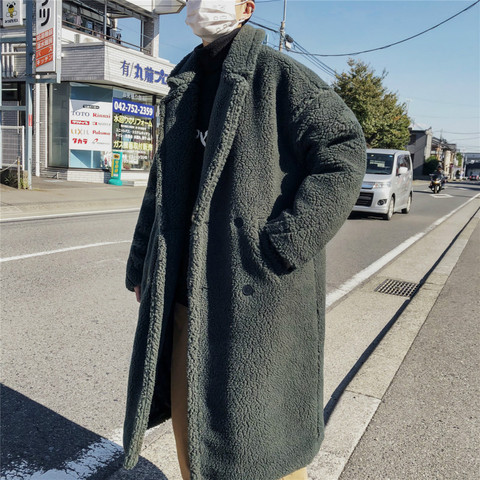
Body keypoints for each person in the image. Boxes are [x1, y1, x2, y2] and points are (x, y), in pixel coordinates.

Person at [122, 1, 366, 479]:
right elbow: (161, 185)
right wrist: (140, 266)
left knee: (262, 437)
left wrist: (283, 243)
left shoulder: (280, 76)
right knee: (191, 427)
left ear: (247, 7)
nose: (198, 4)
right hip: (184, 294)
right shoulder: (185, 80)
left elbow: (344, 150)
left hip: (255, 291)